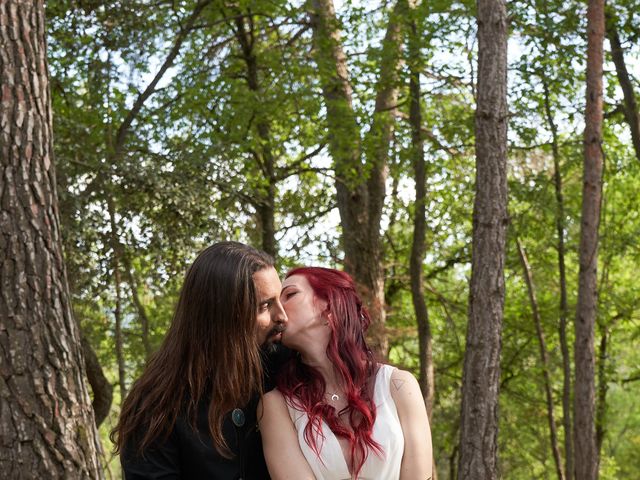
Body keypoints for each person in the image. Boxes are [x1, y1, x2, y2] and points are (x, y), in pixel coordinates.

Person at [111, 241, 288, 479]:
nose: (282, 316)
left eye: (281, 299)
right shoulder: (156, 407)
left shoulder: (283, 370)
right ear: (224, 315)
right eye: (265, 306)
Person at [259, 267, 433, 480]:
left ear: (330, 305)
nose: (278, 310)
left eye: (290, 295)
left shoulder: (399, 386)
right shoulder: (275, 406)